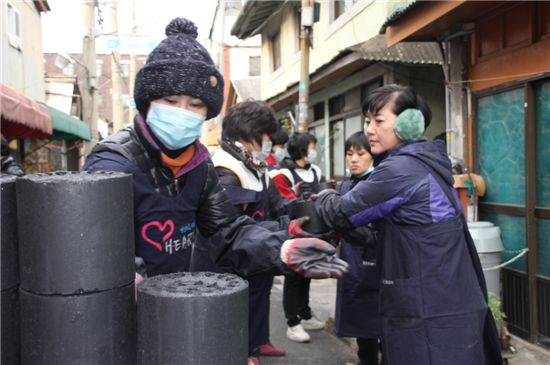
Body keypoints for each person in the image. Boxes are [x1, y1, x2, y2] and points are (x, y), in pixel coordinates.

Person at [83, 18, 349, 362]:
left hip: (176, 310)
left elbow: (225, 232)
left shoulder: (199, 164)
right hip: (123, 324)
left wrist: (281, 248)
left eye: (196, 104)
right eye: (170, 99)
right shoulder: (114, 163)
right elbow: (99, 261)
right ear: (146, 102)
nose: (183, 112)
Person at [293, 84, 502, 364]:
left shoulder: (401, 170)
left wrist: (328, 195)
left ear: (408, 123)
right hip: (447, 301)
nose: (369, 129)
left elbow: (342, 213)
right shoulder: (428, 161)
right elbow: (382, 232)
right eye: (368, 121)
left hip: (428, 311)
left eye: (379, 120)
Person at [191, 100, 290, 364]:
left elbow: (277, 203)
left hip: (255, 252)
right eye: (265, 136)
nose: (269, 143)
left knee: (257, 297)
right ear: (248, 136)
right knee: (232, 311)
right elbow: (227, 233)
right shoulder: (226, 170)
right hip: (228, 261)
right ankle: (243, 351)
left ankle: (256, 343)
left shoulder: (256, 165)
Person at [270, 133, 327, 342]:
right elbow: (281, 206)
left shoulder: (316, 172)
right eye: (313, 146)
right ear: (302, 149)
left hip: (313, 231)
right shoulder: (282, 174)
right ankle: (292, 323)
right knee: (293, 277)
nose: (315, 150)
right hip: (292, 233)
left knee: (307, 273)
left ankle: (305, 313)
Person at [334, 131, 381, 365]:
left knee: (381, 328)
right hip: (350, 264)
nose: (353, 159)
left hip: (375, 266)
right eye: (349, 154)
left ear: (372, 156)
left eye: (360, 153)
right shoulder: (345, 186)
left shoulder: (378, 184)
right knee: (362, 330)